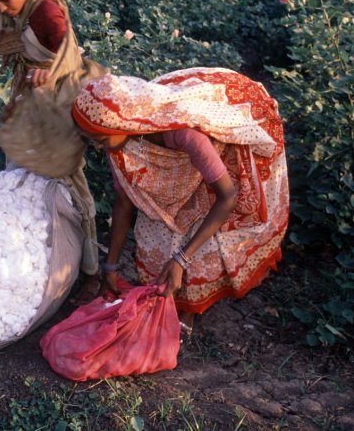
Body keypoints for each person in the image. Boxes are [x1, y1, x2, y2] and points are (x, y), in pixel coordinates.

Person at [70, 68, 289, 334]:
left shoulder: (184, 132)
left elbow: (227, 197)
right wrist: (111, 267)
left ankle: (191, 306)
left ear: (124, 125)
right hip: (184, 157)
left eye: (101, 140)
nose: (98, 147)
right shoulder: (118, 139)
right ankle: (173, 294)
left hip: (226, 141)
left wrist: (181, 259)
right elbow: (124, 202)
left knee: (205, 228)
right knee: (158, 230)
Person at [0, 0, 108, 276]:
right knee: (21, 168)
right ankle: (29, 244)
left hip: (58, 96)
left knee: (63, 172)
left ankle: (83, 261)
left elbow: (69, 59)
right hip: (30, 91)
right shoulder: (14, 11)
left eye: (6, 0)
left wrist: (49, 72)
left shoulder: (47, 12)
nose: (2, 10)